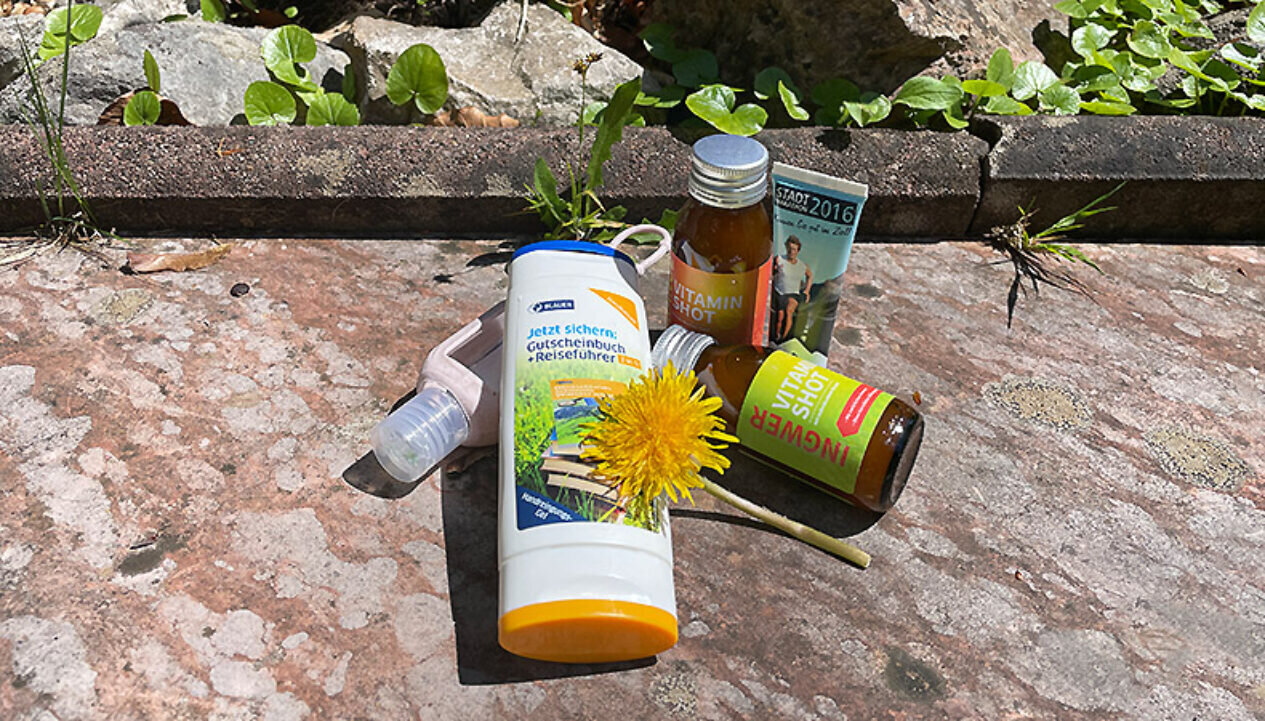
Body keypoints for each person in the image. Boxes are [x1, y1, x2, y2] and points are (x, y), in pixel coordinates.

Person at [770, 236, 812, 343]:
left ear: (798, 251)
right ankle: (777, 337)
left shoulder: (802, 265)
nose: (791, 251)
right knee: (780, 318)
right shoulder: (779, 259)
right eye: (789, 248)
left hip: (794, 294)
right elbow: (770, 274)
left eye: (793, 249)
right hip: (780, 293)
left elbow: (810, 276)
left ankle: (784, 339)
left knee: (789, 310)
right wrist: (774, 273)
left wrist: (807, 291)